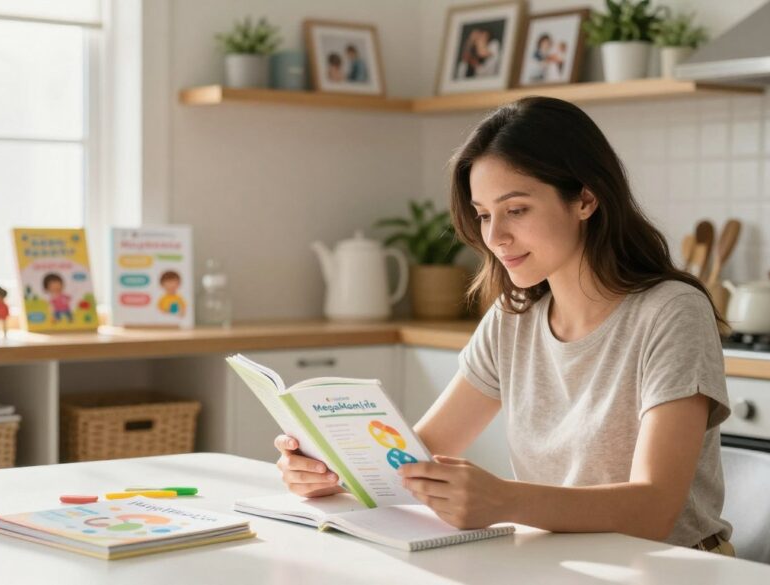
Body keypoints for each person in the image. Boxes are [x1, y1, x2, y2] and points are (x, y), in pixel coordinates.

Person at [273, 96, 735, 556]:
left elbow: (655, 511)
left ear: (586, 199)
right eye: (484, 214)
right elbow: (412, 460)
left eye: (516, 210)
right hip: (562, 564)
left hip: (674, 571)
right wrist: (329, 474)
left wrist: (504, 499)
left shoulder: (672, 311)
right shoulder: (514, 318)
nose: (494, 238)